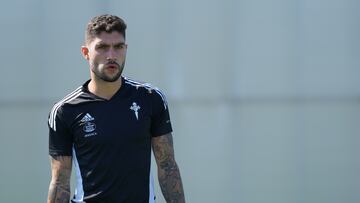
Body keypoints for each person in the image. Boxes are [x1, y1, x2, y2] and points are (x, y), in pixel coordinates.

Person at [47, 14, 185, 203]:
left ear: (125, 49)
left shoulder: (151, 98)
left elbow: (168, 166)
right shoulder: (64, 111)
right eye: (102, 47)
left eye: (118, 47)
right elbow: (60, 181)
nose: (111, 55)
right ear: (86, 52)